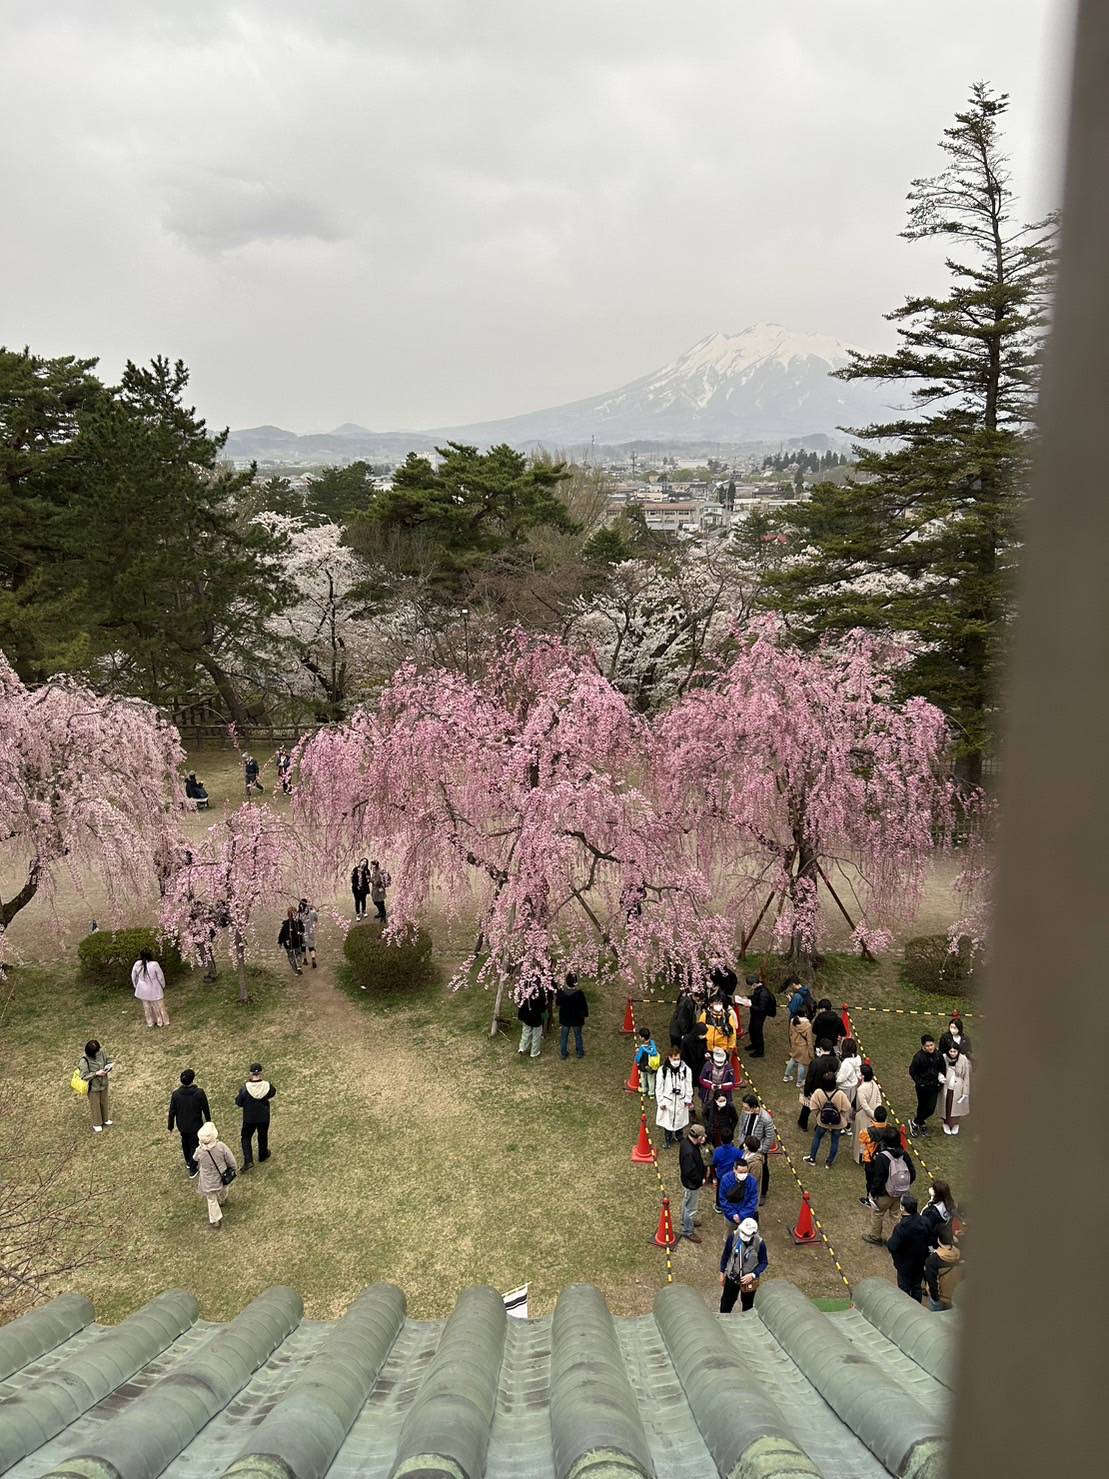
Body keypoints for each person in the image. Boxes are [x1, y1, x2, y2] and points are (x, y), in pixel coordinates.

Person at [863, 1130, 916, 1244]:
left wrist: (873, 1192)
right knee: (896, 1215)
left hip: (884, 1193)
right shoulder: (904, 1155)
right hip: (900, 1193)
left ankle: (875, 1236)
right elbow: (912, 1173)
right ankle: (895, 1238)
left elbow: (878, 1178)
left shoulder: (882, 1157)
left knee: (877, 1213)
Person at [887, 1193, 932, 1301]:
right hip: (920, 1262)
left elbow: (892, 1246)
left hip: (905, 1265)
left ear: (903, 1208)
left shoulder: (902, 1228)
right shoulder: (925, 1221)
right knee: (916, 1287)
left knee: (904, 1290)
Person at [719, 1217, 768, 1313]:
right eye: (743, 1232)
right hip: (732, 1277)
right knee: (726, 1303)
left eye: (747, 1234)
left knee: (747, 1305)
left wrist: (753, 1275)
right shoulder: (733, 1237)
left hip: (748, 1280)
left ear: (754, 1233)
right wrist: (722, 1272)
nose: (744, 1235)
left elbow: (764, 1262)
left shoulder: (760, 1244)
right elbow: (726, 1255)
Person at [804, 1075, 853, 1168]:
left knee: (817, 1138)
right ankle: (829, 1162)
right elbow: (847, 1107)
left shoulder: (818, 1092)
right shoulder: (840, 1094)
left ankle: (812, 1158)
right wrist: (841, 1115)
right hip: (837, 1123)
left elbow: (813, 1107)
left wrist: (818, 1115)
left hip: (822, 1122)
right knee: (835, 1141)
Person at [195, 1122, 237, 1230]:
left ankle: (216, 1220)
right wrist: (233, 1167)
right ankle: (223, 1199)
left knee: (211, 1200)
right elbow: (230, 1159)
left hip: (208, 1180)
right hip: (221, 1175)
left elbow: (195, 1158)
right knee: (224, 1188)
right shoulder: (221, 1146)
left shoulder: (199, 1151)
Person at [235, 1063, 276, 1168]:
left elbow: (239, 1102)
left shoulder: (245, 1089)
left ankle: (248, 1160)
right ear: (261, 1073)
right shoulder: (267, 1086)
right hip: (263, 1117)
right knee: (262, 1135)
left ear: (250, 1074)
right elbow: (273, 1094)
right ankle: (263, 1155)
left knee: (246, 1137)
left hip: (249, 1118)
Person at [737, 1093, 776, 1202]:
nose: (744, 1110)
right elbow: (741, 1125)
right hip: (745, 1144)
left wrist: (761, 1150)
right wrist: (741, 1140)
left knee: (763, 1170)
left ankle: (763, 1192)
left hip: (757, 1148)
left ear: (754, 1107)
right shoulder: (746, 1113)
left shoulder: (765, 1119)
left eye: (746, 1108)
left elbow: (770, 1137)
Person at [655, 1048, 693, 1149]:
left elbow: (689, 1085)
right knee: (667, 1121)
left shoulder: (686, 1070)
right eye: (674, 1059)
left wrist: (687, 1099)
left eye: (678, 1059)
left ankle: (679, 1136)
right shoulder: (662, 1070)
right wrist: (661, 1102)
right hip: (668, 1101)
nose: (676, 1061)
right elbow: (659, 1088)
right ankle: (668, 1139)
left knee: (680, 1120)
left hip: (681, 1100)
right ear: (669, 1058)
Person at [908, 1035, 946, 1135]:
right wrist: (920, 1083)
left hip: (934, 1086)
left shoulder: (938, 1055)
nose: (930, 1047)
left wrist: (941, 1077)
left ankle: (916, 1122)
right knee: (922, 1106)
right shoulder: (918, 1057)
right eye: (928, 1046)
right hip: (923, 1087)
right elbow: (912, 1072)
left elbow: (942, 1068)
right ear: (923, 1046)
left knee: (931, 1109)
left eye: (932, 1045)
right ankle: (920, 1122)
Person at [678, 1121, 708, 1242]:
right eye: (703, 1136)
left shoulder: (686, 1143)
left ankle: (685, 1221)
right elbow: (689, 1171)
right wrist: (701, 1179)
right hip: (692, 1184)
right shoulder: (690, 1152)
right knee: (690, 1208)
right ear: (698, 1137)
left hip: (688, 1182)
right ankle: (688, 1231)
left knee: (687, 1203)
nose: (705, 1138)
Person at [800, 1040, 839, 1131]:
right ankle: (819, 1125)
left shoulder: (816, 1062)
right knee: (823, 1109)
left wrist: (806, 1091)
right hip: (827, 1090)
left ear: (821, 1049)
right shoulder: (835, 1061)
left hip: (814, 1090)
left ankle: (803, 1123)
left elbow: (809, 1078)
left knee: (807, 1107)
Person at [924, 1225, 964, 1310]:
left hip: (940, 1298)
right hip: (953, 1294)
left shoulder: (933, 1260)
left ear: (938, 1239)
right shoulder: (959, 1252)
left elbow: (932, 1283)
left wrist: (935, 1299)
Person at [78, 1039, 114, 1132]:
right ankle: (97, 1123)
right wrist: (96, 1073)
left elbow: (108, 1059)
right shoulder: (84, 1061)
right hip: (93, 1086)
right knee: (95, 1104)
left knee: (104, 1101)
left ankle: (105, 1119)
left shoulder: (101, 1051)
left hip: (104, 1082)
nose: (99, 1053)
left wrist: (108, 1066)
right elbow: (84, 1076)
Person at [852, 1064, 884, 1163]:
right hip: (873, 1114)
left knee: (860, 1138)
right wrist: (876, 1113)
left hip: (863, 1116)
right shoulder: (874, 1083)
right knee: (870, 1138)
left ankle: (859, 1157)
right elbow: (879, 1099)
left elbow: (864, 1105)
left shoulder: (861, 1089)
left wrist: (872, 1114)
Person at [132, 949, 170, 1028]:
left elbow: (133, 976)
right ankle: (163, 1021)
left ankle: (150, 1022)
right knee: (159, 1005)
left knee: (147, 1007)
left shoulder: (137, 964)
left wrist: (136, 985)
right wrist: (162, 985)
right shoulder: (154, 964)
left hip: (142, 988)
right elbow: (160, 977)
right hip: (154, 986)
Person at [556, 972, 589, 1058]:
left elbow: (557, 1003)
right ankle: (579, 1052)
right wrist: (585, 1014)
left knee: (564, 1036)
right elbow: (584, 1005)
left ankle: (563, 1053)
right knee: (578, 1035)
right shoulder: (579, 993)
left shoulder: (562, 992)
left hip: (565, 1017)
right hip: (577, 1018)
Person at [709, 1127, 744, 1209]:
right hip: (732, 1175)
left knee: (720, 1191)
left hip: (721, 1175)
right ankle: (731, 1203)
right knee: (732, 1189)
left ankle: (718, 1206)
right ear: (732, 1139)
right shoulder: (737, 1152)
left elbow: (714, 1162)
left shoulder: (717, 1151)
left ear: (721, 1139)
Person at [718, 1160, 759, 1228]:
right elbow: (723, 1199)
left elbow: (753, 1200)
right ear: (734, 1169)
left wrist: (742, 1215)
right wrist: (733, 1214)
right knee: (729, 1235)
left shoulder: (752, 1181)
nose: (743, 1174)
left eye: (745, 1172)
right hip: (730, 1217)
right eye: (740, 1172)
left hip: (746, 1217)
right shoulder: (725, 1179)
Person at [941, 1045, 972, 1134]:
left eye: (955, 1051)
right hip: (946, 1086)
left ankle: (955, 1124)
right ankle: (946, 1123)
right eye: (951, 1051)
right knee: (947, 1105)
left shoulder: (963, 1059)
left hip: (958, 1087)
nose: (953, 1054)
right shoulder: (944, 1058)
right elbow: (939, 1070)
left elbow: (966, 1076)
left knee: (956, 1107)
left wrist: (965, 1092)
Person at [745, 975, 776, 1058]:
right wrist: (747, 997)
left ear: (755, 984)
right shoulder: (758, 989)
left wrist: (750, 1005)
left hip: (760, 1015)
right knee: (751, 1029)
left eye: (751, 985)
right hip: (755, 1013)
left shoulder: (763, 994)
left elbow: (761, 1008)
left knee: (757, 1032)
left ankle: (760, 1051)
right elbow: (755, 998)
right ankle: (754, 1044)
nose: (750, 987)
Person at [784, 1010, 813, 1086]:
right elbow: (809, 1040)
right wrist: (811, 1052)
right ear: (805, 1014)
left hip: (795, 1045)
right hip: (803, 1047)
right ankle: (799, 1082)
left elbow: (790, 1033)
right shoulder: (808, 1025)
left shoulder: (793, 1021)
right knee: (801, 1064)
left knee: (793, 1059)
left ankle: (786, 1076)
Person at [922, 1179, 956, 1244]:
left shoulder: (931, 1212)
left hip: (934, 1239)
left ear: (936, 1193)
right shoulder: (950, 1204)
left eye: (933, 1188)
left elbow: (924, 1224)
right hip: (945, 1233)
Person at [277, 906, 305, 975]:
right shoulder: (298, 922)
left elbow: (282, 933)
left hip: (288, 943)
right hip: (297, 942)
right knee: (298, 953)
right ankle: (298, 965)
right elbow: (302, 930)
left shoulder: (286, 923)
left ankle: (295, 970)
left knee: (291, 956)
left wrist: (280, 942)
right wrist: (300, 934)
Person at [517, 992, 546, 1058]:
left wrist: (520, 1017)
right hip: (536, 1018)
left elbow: (520, 1006)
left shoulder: (523, 993)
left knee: (525, 1033)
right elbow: (543, 1008)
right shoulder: (539, 994)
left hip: (526, 1017)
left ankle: (522, 1048)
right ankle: (534, 1052)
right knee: (536, 1035)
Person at [635, 1026, 661, 1098]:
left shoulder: (642, 1048)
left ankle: (644, 1091)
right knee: (651, 1079)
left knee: (643, 1078)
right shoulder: (652, 1043)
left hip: (643, 1066)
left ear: (643, 1038)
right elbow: (655, 1052)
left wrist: (637, 1054)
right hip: (652, 1066)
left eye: (640, 1036)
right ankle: (651, 1093)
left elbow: (638, 1059)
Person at [836, 1039, 863, 1103]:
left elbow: (839, 1080)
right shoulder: (858, 1057)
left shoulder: (846, 1064)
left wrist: (833, 1079)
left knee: (844, 1106)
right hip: (853, 1086)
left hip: (845, 1088)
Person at [297, 898, 319, 969]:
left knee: (303, 947)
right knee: (311, 947)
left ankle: (305, 960)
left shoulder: (299, 914)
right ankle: (313, 958)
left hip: (302, 933)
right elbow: (316, 919)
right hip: (310, 931)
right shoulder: (312, 912)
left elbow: (297, 923)